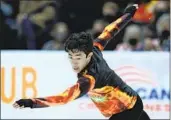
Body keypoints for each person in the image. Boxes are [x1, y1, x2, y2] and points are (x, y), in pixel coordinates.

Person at [13, 4, 150, 120]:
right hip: (132, 103)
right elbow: (110, 31)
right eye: (71, 57)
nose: (74, 63)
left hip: (126, 110)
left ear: (88, 55)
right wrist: (128, 14)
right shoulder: (94, 47)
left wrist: (32, 102)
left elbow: (64, 98)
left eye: (78, 58)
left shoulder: (89, 80)